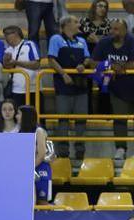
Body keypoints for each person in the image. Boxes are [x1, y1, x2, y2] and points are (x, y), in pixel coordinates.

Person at [87, 19, 134, 160]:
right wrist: (111, 65)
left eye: (116, 29)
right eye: (112, 29)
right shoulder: (104, 43)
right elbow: (92, 63)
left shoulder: (133, 41)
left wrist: (118, 67)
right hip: (117, 88)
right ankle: (121, 148)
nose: (113, 32)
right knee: (119, 119)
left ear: (124, 30)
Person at [46, 15, 89, 161]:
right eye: (76, 21)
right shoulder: (56, 39)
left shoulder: (82, 41)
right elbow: (51, 59)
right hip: (63, 86)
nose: (79, 24)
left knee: (81, 120)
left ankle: (80, 153)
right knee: (63, 120)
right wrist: (64, 74)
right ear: (66, 25)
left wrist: (84, 64)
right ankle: (63, 153)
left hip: (81, 85)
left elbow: (88, 57)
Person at [19, 104, 52, 205]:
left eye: (18, 114)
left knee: (42, 201)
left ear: (26, 116)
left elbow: (41, 154)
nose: (16, 116)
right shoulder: (20, 131)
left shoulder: (39, 131)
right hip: (28, 168)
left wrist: (30, 168)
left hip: (41, 168)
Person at [2, 26, 40, 108]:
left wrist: (16, 62)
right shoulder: (8, 50)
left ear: (15, 34)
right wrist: (5, 61)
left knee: (34, 116)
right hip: (15, 89)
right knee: (18, 117)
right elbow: (7, 67)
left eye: (7, 34)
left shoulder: (29, 45)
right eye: (4, 35)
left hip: (32, 89)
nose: (5, 37)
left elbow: (36, 64)